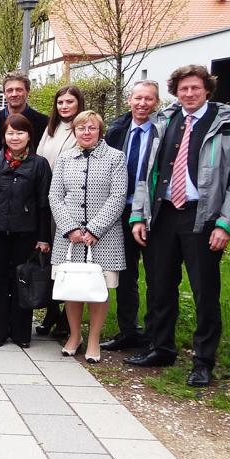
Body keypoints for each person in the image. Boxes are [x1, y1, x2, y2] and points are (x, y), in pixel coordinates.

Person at [127, 65, 230, 388]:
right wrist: (139, 215)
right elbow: (148, 172)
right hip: (163, 213)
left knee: (204, 290)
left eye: (195, 88)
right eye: (183, 89)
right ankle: (160, 347)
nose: (189, 94)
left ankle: (203, 360)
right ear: (176, 93)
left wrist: (226, 223)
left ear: (207, 90)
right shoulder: (166, 122)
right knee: (159, 285)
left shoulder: (228, 125)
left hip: (203, 217)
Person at [50, 111, 128, 363]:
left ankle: (94, 338)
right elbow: (55, 196)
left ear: (100, 131)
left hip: (104, 237)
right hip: (69, 238)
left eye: (91, 128)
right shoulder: (65, 158)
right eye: (81, 128)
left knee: (98, 289)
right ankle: (75, 336)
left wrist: (95, 228)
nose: (86, 132)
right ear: (74, 132)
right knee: (72, 289)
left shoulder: (115, 158)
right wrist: (70, 228)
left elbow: (117, 197)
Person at [0, 114, 52, 348]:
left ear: (29, 136)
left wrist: (44, 238)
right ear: (4, 136)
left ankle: (21, 332)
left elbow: (44, 204)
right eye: (10, 133)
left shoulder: (39, 164)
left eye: (20, 133)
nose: (15, 138)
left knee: (21, 282)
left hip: (26, 234)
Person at [101, 80, 161, 352]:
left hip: (152, 210)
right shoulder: (118, 130)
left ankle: (155, 335)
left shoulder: (163, 132)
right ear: (129, 99)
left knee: (156, 274)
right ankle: (128, 331)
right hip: (120, 208)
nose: (142, 104)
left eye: (148, 99)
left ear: (156, 103)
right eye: (138, 98)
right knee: (125, 274)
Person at [35, 84, 86, 339]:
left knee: (69, 261)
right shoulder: (51, 129)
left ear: (79, 104)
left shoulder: (83, 128)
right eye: (61, 102)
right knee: (51, 261)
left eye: (69, 102)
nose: (64, 106)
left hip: (71, 204)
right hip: (47, 201)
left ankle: (67, 319)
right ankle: (51, 312)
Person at [0, 71, 49, 150]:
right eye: (10, 90)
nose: (14, 94)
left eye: (19, 90)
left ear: (27, 92)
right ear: (4, 93)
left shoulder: (44, 122)